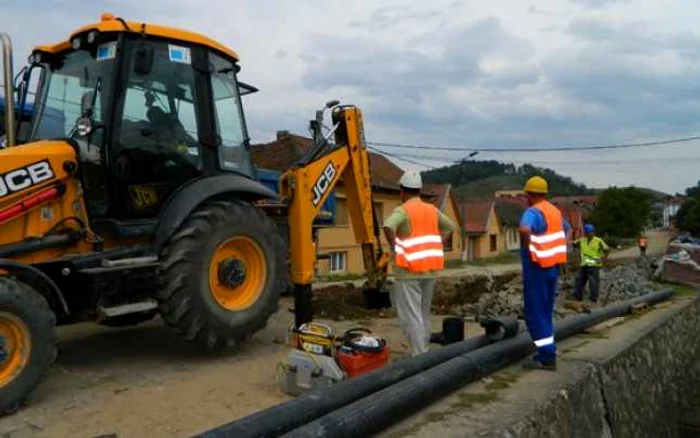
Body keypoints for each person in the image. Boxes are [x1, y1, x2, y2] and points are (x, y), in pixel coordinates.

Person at [383, 171, 456, 357]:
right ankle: (423, 350)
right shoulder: (432, 210)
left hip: (408, 271)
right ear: (419, 190)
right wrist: (438, 243)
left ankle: (419, 355)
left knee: (411, 315)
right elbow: (450, 227)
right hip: (430, 269)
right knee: (423, 314)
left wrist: (396, 247)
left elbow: (388, 226)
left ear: (402, 191)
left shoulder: (403, 210)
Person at [518, 176, 569, 371]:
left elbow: (524, 229)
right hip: (552, 268)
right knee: (546, 312)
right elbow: (567, 230)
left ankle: (546, 357)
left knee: (535, 314)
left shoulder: (533, 212)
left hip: (536, 268)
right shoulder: (554, 212)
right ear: (545, 194)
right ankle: (549, 350)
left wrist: (529, 244)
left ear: (529, 195)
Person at [572, 224, 610, 306]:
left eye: (590, 232)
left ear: (593, 232)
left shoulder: (598, 241)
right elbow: (574, 243)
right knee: (579, 279)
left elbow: (607, 249)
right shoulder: (583, 240)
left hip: (594, 265)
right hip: (584, 264)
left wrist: (603, 259)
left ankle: (593, 299)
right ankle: (578, 296)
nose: (589, 234)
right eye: (587, 232)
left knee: (593, 282)